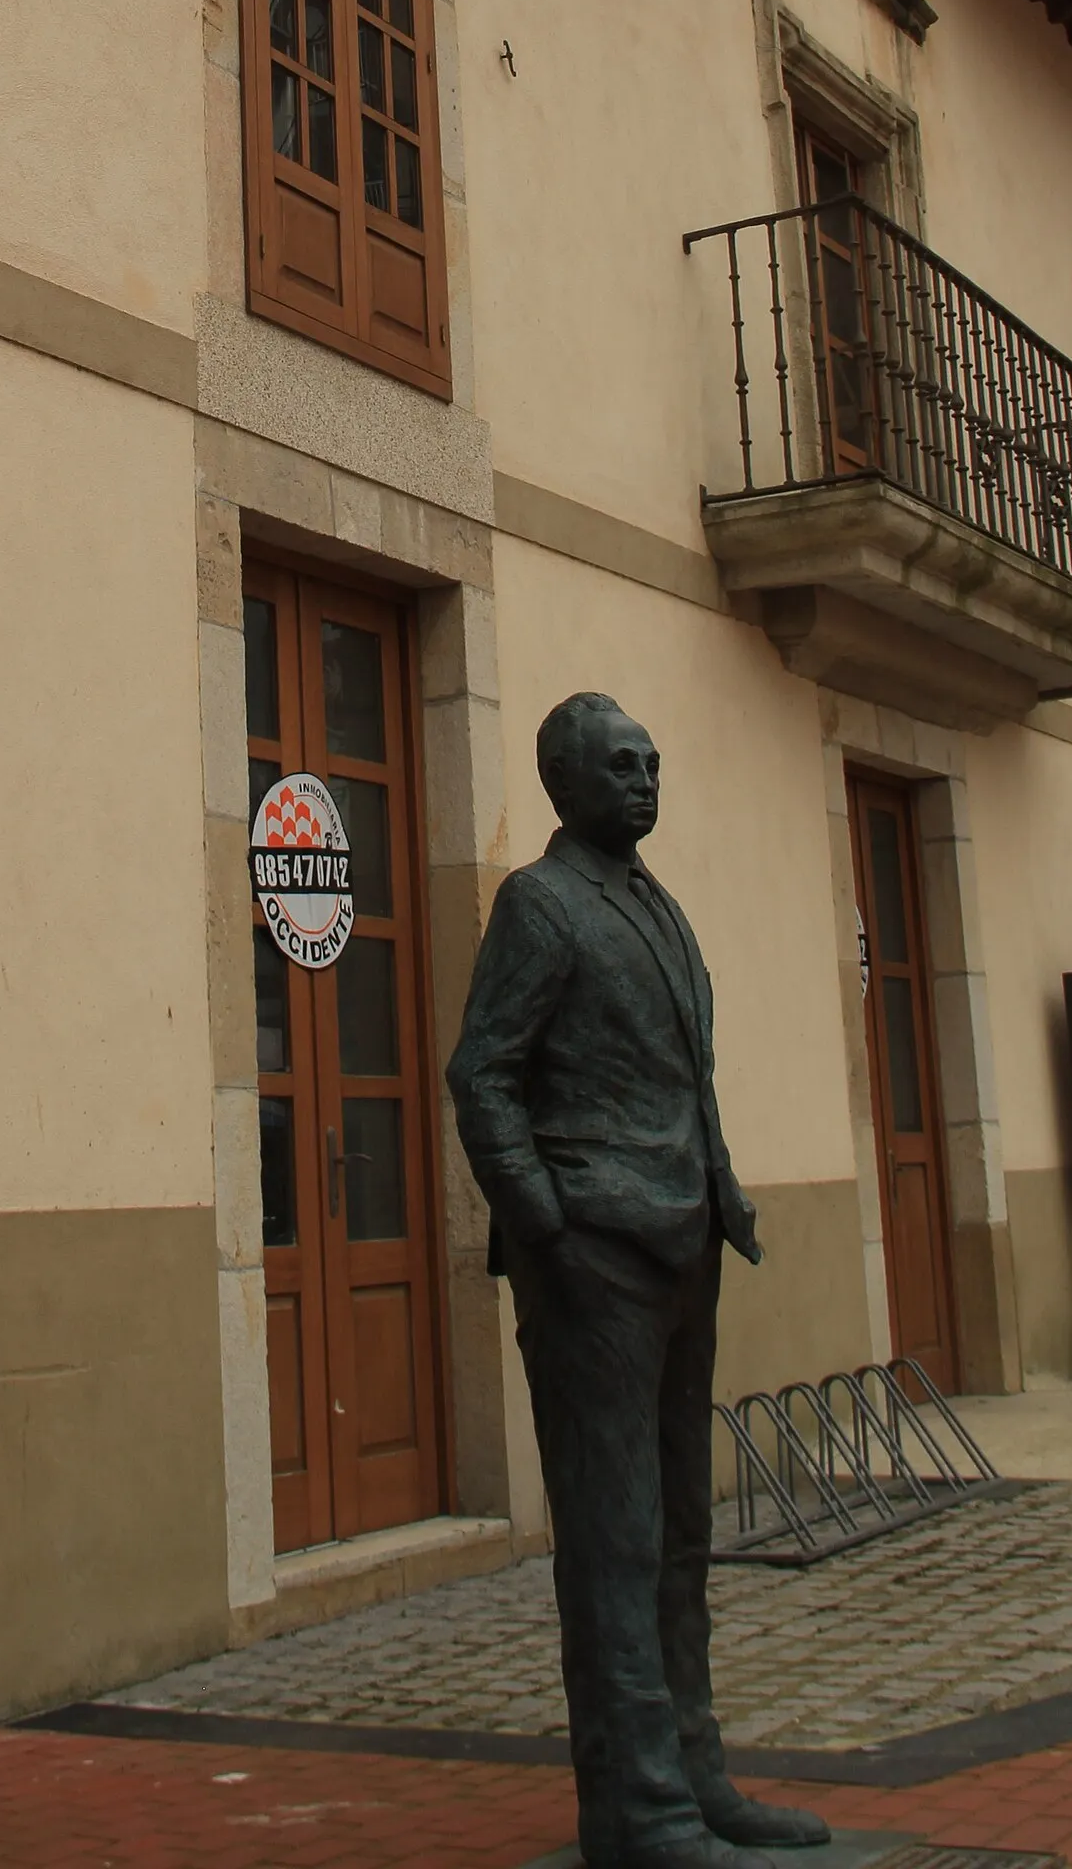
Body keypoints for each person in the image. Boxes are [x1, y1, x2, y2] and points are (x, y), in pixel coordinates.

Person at [447, 693, 828, 1868]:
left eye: (653, 762)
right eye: (622, 765)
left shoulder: (653, 905)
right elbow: (481, 1075)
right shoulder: (540, 903)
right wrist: (545, 1226)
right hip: (594, 1258)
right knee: (611, 1539)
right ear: (566, 782)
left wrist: (717, 1191)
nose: (645, 780)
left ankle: (694, 1774)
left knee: (676, 1534)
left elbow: (685, 1078)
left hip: (683, 1241)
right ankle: (638, 1811)